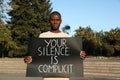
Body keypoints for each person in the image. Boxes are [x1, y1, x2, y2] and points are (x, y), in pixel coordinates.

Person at [24, 11, 86, 80]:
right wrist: (27, 59)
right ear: (49, 21)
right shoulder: (42, 36)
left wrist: (81, 55)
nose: (55, 22)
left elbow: (73, 57)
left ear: (61, 21)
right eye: (53, 20)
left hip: (64, 78)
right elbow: (34, 57)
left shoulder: (67, 37)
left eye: (57, 20)